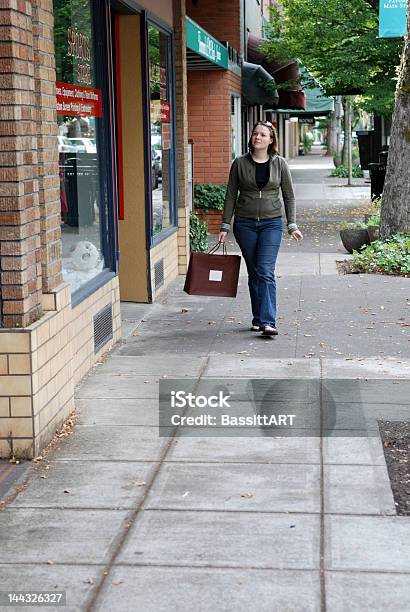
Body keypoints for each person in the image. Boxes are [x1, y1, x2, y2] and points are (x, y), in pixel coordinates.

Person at [218, 121, 303, 337]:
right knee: (255, 271)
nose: (258, 137)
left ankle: (267, 321)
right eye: (255, 133)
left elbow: (289, 195)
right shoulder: (239, 164)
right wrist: (225, 225)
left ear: (271, 139)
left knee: (265, 270)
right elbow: (230, 195)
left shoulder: (280, 164)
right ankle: (258, 318)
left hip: (271, 223)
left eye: (263, 135)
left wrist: (291, 223)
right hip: (245, 224)